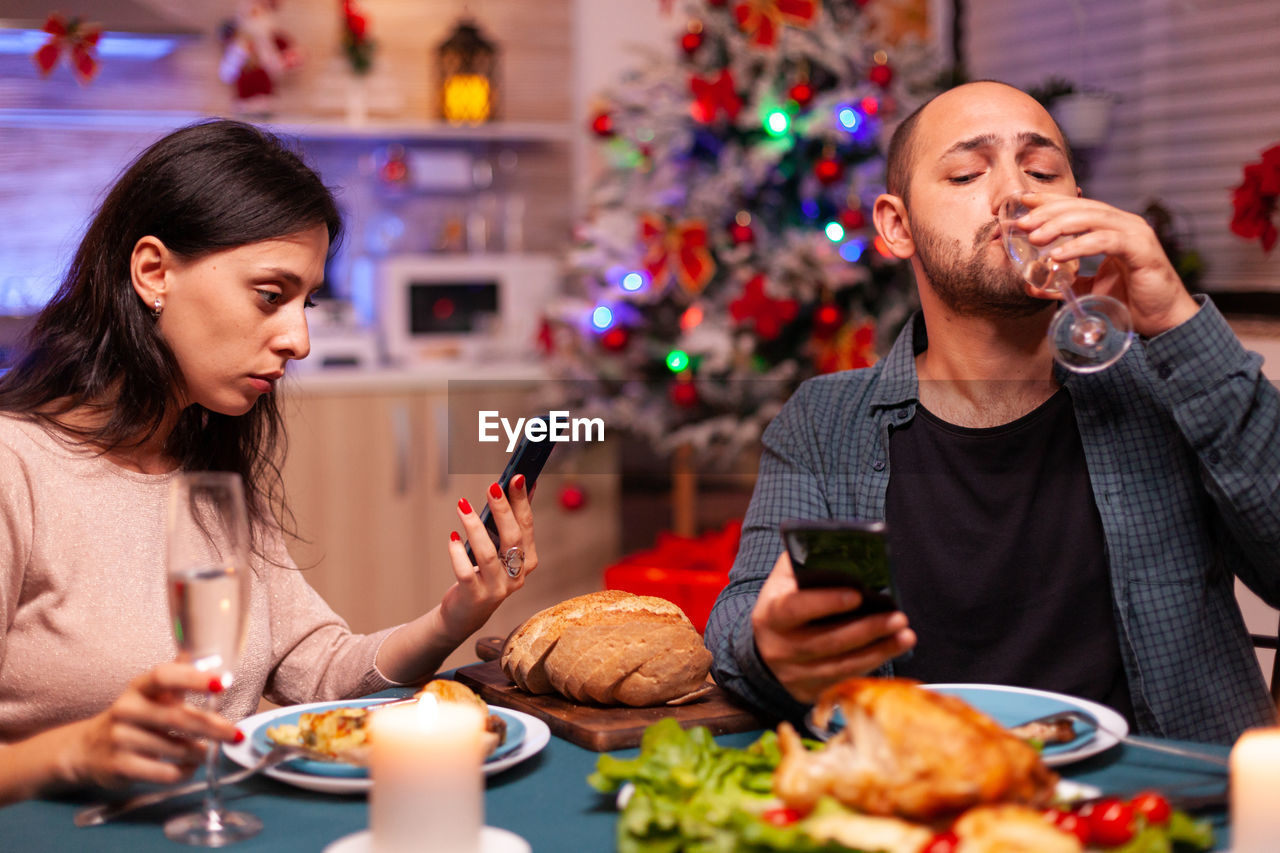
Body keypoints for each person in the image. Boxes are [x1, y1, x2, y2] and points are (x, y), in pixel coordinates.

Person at [705, 80, 1280, 745]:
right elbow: (742, 625)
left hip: (1163, 809)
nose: (1016, 194)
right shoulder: (826, 421)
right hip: (926, 806)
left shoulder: (1165, 382)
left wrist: (1178, 322)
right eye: (967, 172)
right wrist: (774, 644)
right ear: (898, 226)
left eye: (1042, 171)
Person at [0, 119, 538, 805]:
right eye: (270, 295)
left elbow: (318, 676)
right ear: (153, 272)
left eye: (307, 301)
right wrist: (73, 750)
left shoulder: (206, 468)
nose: (300, 339)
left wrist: (457, 613)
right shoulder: (15, 466)